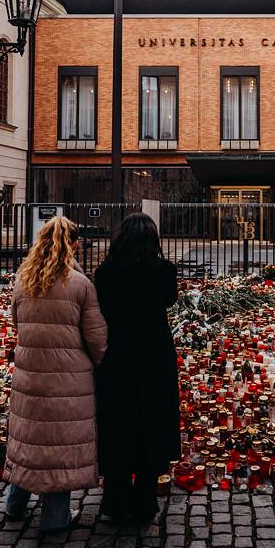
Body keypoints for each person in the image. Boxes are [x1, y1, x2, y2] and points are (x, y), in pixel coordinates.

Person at [4, 216, 107, 532]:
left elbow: (17, 325)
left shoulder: (23, 281)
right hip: (68, 378)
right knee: (59, 444)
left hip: (30, 375)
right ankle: (55, 517)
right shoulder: (80, 285)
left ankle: (14, 506)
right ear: (74, 244)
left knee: (29, 440)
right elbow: (96, 338)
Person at [94, 212, 181, 524]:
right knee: (151, 423)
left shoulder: (106, 273)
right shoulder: (164, 271)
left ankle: (115, 500)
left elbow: (102, 307)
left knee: (118, 424)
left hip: (118, 356)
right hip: (154, 356)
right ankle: (145, 500)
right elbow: (169, 301)